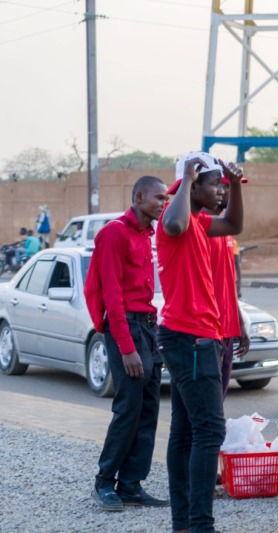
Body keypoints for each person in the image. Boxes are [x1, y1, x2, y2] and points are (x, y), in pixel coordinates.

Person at [156, 151, 244, 533]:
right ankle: (200, 525)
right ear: (193, 184)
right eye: (215, 184)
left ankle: (184, 524)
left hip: (195, 335)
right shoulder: (176, 218)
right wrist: (188, 179)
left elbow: (234, 225)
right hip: (191, 337)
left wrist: (236, 185)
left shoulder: (202, 221)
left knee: (187, 430)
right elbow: (173, 224)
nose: (220, 191)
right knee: (209, 430)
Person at [84, 175, 170, 512]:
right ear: (138, 197)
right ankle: (104, 482)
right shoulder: (114, 233)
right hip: (127, 329)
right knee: (128, 410)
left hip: (149, 326)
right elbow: (112, 296)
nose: (164, 204)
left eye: (166, 198)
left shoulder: (147, 233)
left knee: (149, 408)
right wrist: (126, 347)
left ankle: (131, 484)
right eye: (159, 198)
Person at [204, 176, 250, 398]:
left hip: (227, 329)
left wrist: (239, 322)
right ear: (218, 189)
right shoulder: (200, 228)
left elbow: (228, 283)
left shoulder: (225, 230)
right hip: (208, 331)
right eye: (232, 186)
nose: (235, 193)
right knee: (207, 404)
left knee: (218, 399)